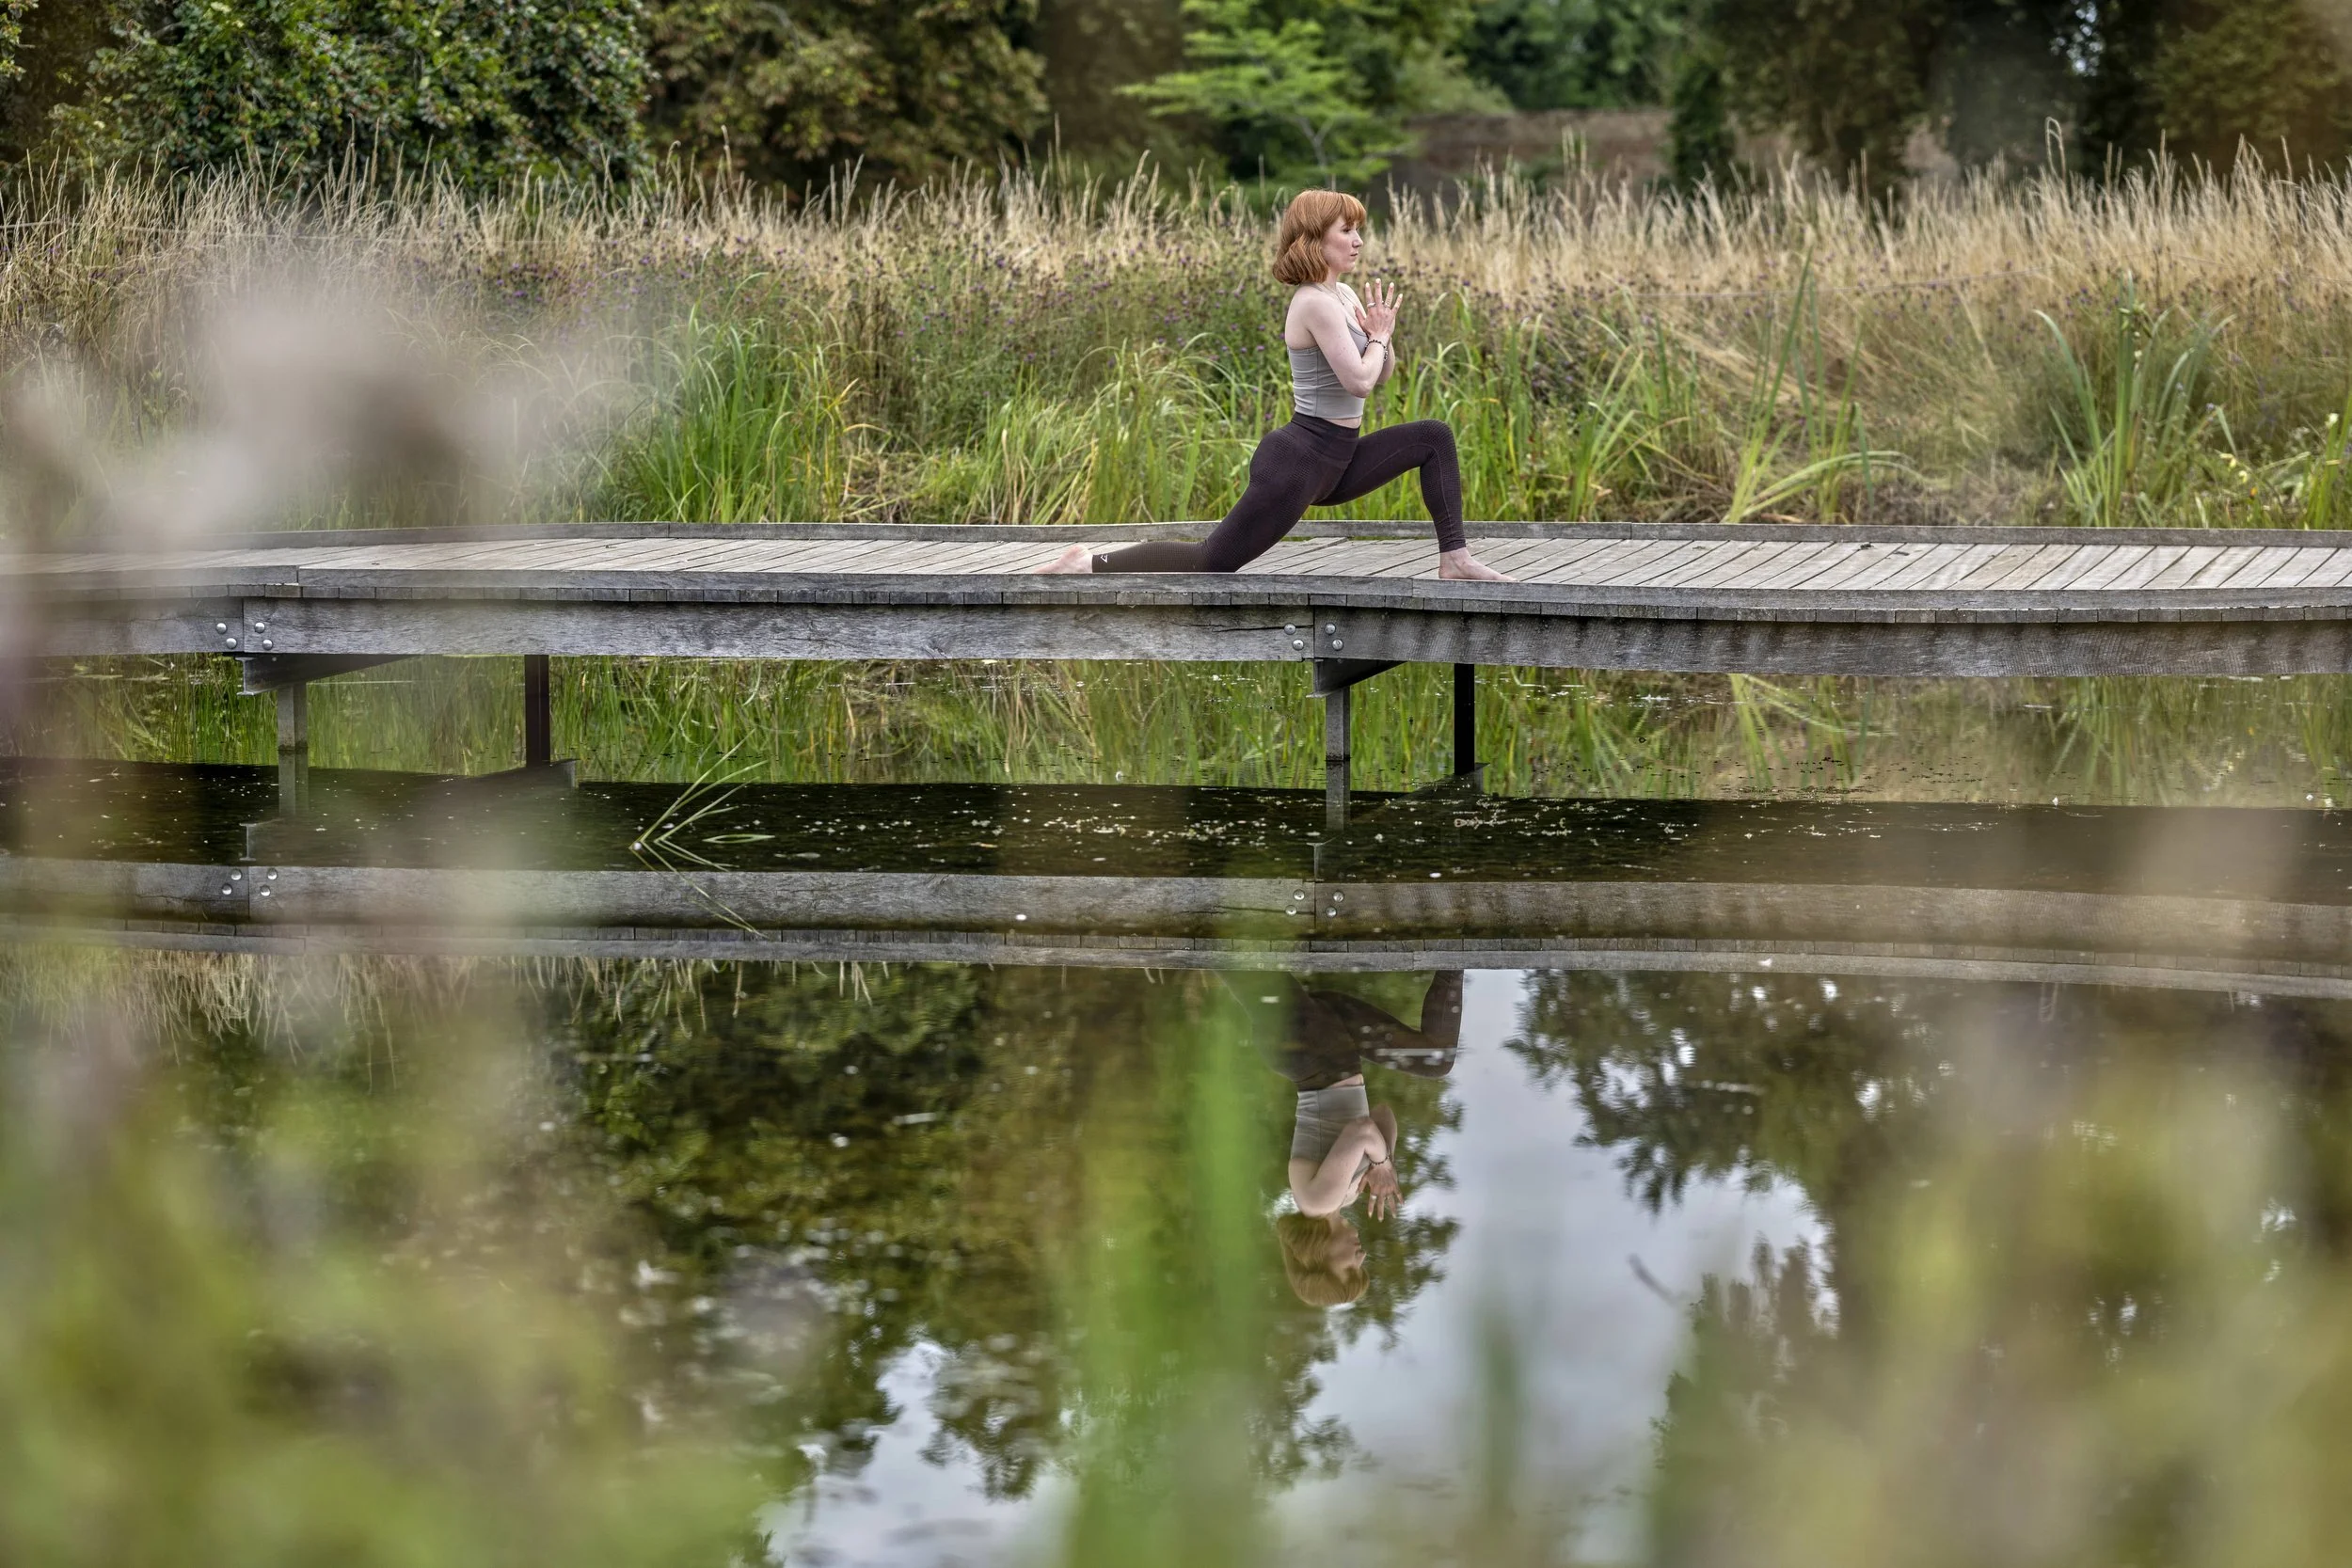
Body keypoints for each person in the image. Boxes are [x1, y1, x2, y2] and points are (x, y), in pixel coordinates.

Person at [1041, 191, 1511, 580]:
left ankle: (1456, 560)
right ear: (1314, 238)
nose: (1358, 241)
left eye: (1357, 230)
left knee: (1433, 437)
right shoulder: (1313, 303)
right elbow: (1360, 382)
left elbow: (1381, 373)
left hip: (1338, 459)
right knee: (1211, 562)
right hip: (1299, 460)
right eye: (1346, 231)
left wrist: (1377, 337)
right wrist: (1380, 338)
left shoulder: (1343, 295)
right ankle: (1086, 563)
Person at [1234, 971, 1464, 1307]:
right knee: (1434, 1059)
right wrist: (1383, 1163)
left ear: (1317, 1259)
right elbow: (1382, 1115)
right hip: (1334, 1046)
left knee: (1238, 961)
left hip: (1309, 1050)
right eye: (1363, 1270)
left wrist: (1383, 1165)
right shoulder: (1346, 1197)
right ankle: (1453, 954)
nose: (1361, 1259)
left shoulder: (1318, 1202)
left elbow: (1361, 1130)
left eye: (1350, 1270)